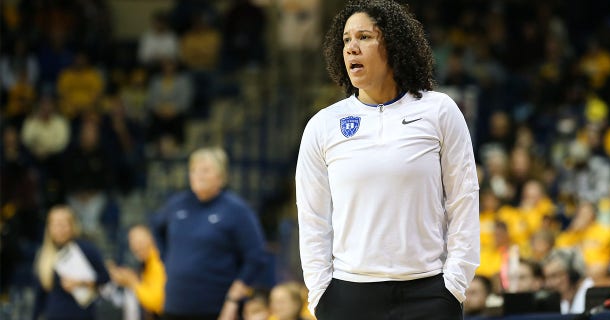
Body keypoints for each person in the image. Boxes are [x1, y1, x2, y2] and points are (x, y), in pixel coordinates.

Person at [295, 1, 480, 319]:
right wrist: (320, 294)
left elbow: (463, 199)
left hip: (428, 293)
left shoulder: (439, 111)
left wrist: (454, 285)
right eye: (346, 39)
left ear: (393, 46)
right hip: (348, 295)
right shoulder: (323, 125)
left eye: (364, 37)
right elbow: (313, 219)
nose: (351, 47)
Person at [152, 146, 269, 320]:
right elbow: (156, 227)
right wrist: (167, 259)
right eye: (193, 170)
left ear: (221, 177)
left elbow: (256, 256)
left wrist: (233, 300)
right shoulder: (177, 204)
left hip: (216, 309)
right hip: (174, 306)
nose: (198, 175)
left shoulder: (236, 210)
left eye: (205, 170)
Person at [31, 205, 111, 320]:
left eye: (63, 224)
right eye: (55, 224)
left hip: (83, 314)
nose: (60, 229)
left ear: (72, 225)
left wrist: (80, 283)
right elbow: (40, 295)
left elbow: (105, 277)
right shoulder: (44, 255)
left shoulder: (86, 249)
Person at [108, 224, 166, 319]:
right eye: (132, 241)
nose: (136, 246)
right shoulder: (146, 262)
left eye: (140, 241)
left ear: (152, 239)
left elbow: (156, 303)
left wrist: (132, 282)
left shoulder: (158, 261)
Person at [541, 249, 594, 314]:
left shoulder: (595, 296)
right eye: (546, 278)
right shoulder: (562, 302)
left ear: (573, 275)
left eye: (554, 276)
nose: (548, 284)